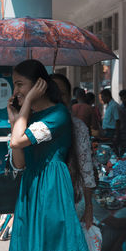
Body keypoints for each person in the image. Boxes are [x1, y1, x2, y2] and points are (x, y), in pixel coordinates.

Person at [7, 60, 90, 251]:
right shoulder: (30, 118)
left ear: (39, 85)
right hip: (31, 186)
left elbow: (17, 141)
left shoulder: (58, 114)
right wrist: (14, 121)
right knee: (32, 247)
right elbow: (19, 163)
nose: (15, 90)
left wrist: (25, 105)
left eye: (20, 84)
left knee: (53, 247)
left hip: (52, 187)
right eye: (14, 84)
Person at [51, 73, 95, 229]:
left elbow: (87, 170)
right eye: (52, 92)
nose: (57, 98)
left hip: (73, 202)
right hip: (43, 204)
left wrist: (89, 206)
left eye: (62, 93)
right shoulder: (35, 127)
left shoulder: (78, 127)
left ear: (70, 97)